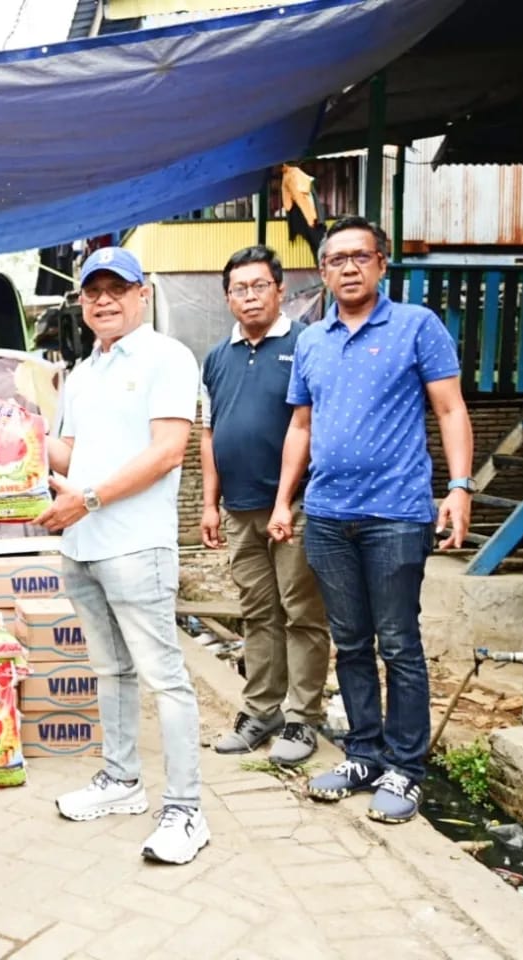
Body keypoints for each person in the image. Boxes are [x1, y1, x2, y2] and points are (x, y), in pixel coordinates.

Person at [270, 215, 473, 824]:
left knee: (399, 643)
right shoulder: (312, 340)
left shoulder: (416, 326)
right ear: (325, 271)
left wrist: (459, 488)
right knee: (351, 641)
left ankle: (406, 770)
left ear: (383, 264)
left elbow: (450, 408)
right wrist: (284, 501)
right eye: (337, 259)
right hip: (328, 515)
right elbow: (300, 427)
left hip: (396, 514)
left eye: (361, 256)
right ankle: (363, 752)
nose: (349, 267)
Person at [37, 246, 209, 865]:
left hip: (136, 545)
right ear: (81, 302)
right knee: (111, 671)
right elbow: (67, 454)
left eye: (118, 288)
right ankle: (121, 781)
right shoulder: (82, 372)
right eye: (92, 291)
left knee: (166, 678)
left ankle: (187, 811)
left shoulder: (168, 357)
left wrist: (86, 498)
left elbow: (167, 452)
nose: (104, 300)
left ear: (143, 295)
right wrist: (10, 429)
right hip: (83, 546)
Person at [200, 247, 329, 764]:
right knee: (257, 613)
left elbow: (311, 424)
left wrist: (285, 502)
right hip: (238, 508)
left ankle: (302, 720)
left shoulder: (307, 345)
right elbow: (209, 434)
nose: (249, 296)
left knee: (302, 613)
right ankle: (262, 712)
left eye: (259, 286)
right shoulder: (216, 357)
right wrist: (210, 504)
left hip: (293, 508)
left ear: (279, 290)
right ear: (228, 297)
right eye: (238, 288)